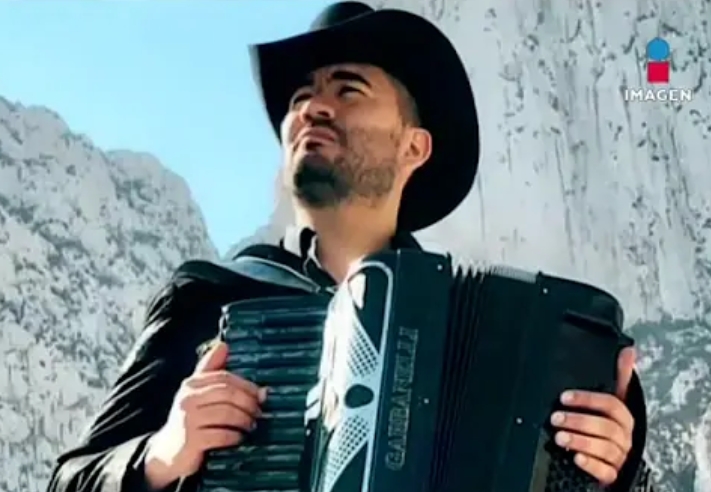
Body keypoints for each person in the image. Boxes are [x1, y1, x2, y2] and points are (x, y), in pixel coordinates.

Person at [46, 2, 656, 491]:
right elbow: (69, 481)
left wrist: (613, 472)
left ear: (414, 147)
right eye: (299, 98)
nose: (313, 107)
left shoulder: (506, 334)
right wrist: (163, 453)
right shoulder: (208, 299)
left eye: (348, 90)